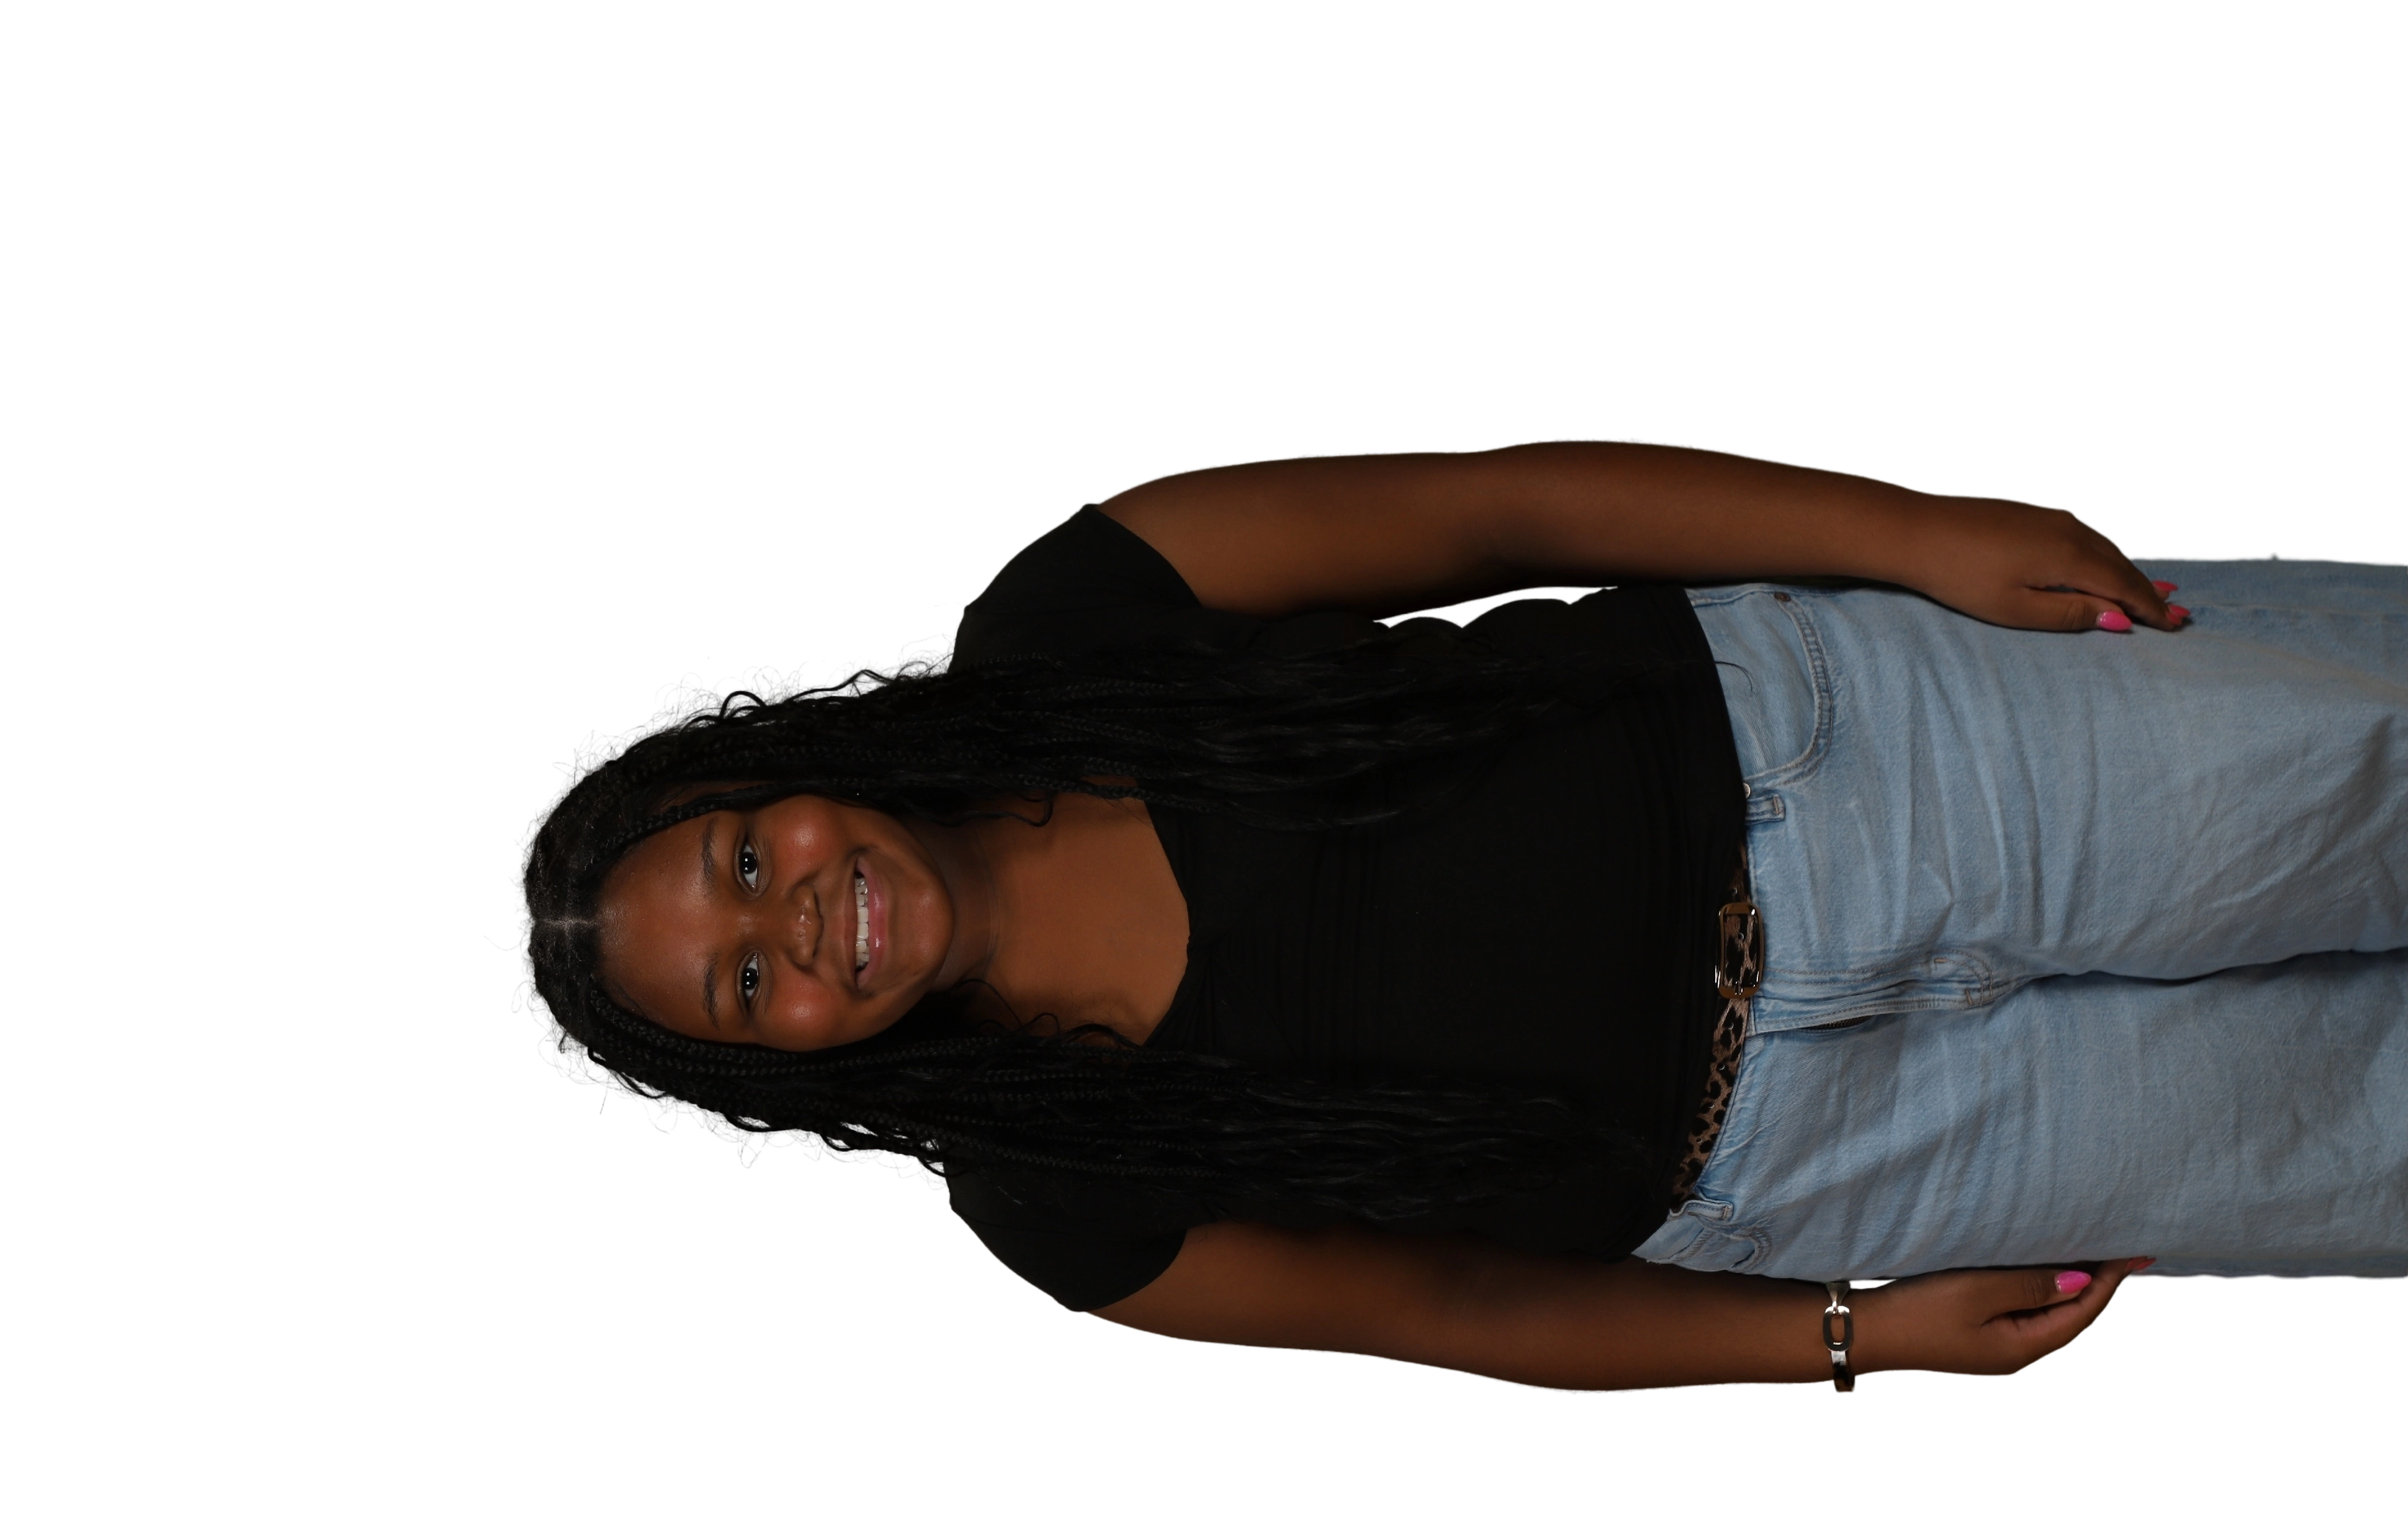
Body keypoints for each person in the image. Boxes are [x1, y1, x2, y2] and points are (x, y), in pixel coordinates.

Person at [501, 437, 2408, 1394]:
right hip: (1840, 1150)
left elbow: (1499, 510)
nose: (799, 925)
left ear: (774, 768)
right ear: (787, 1066)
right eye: (744, 990)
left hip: (1865, 774)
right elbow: (1471, 1310)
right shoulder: (1063, 1209)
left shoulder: (1079, 611)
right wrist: (1843, 1336)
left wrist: (1904, 529)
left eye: (740, 860)